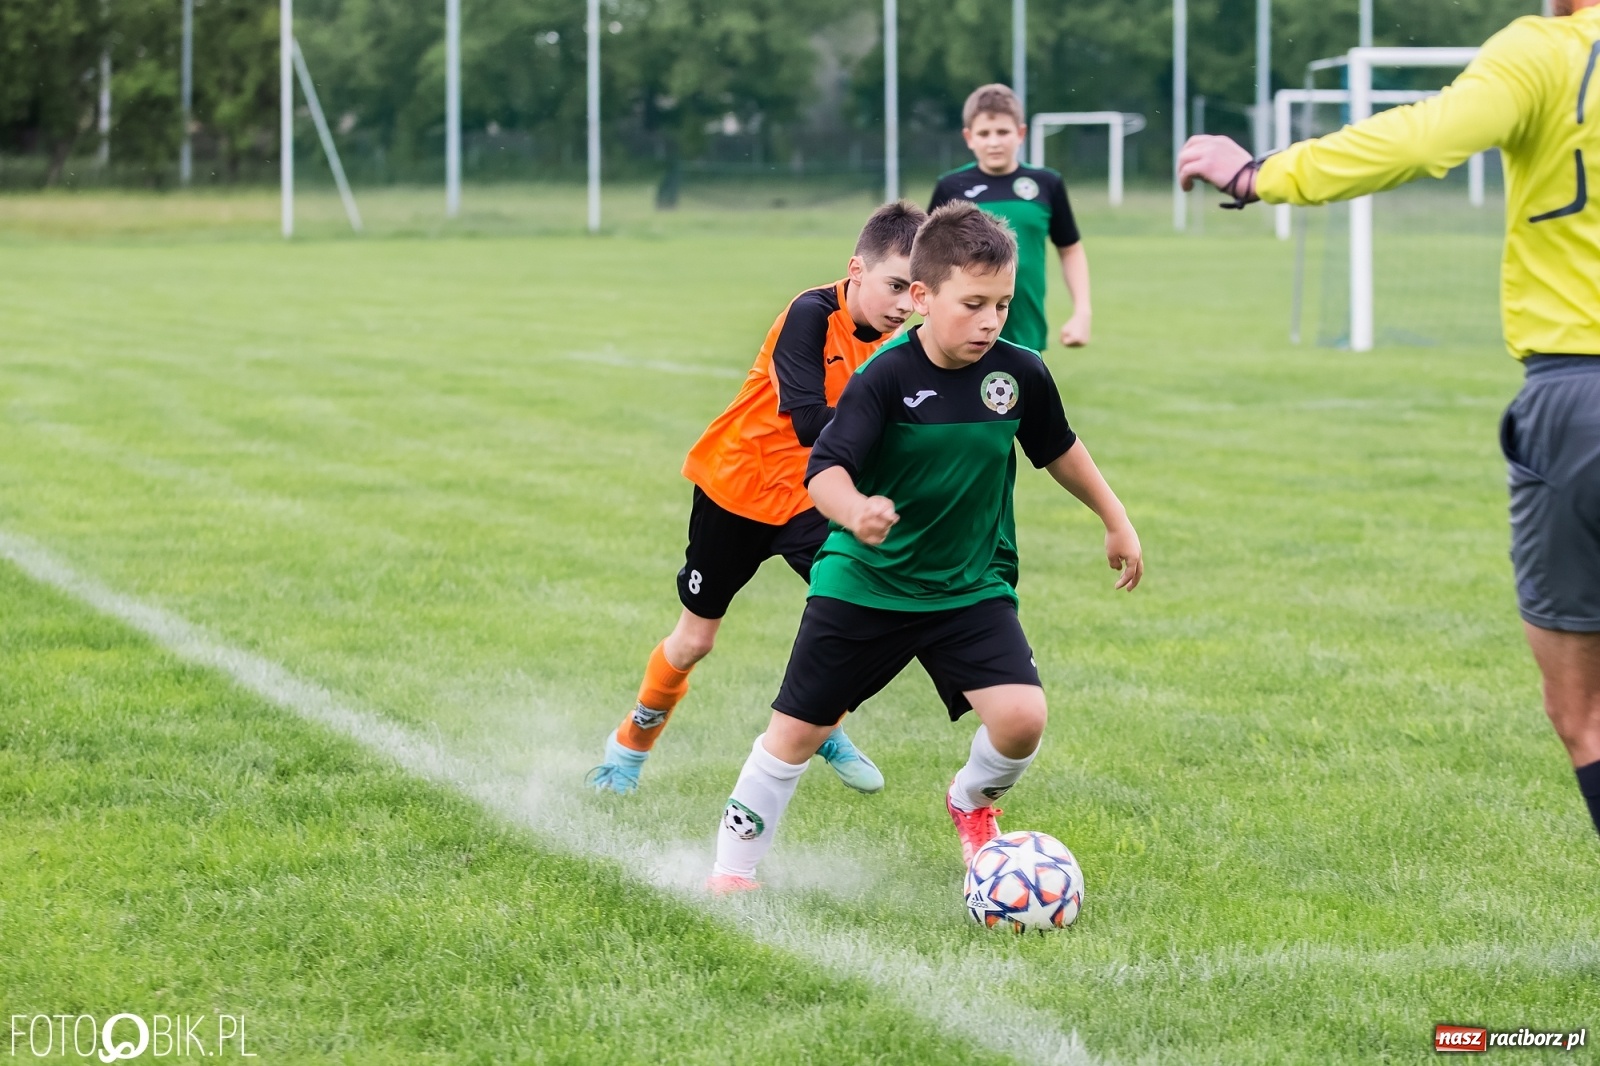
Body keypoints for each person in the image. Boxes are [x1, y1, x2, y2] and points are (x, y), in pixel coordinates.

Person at [1177, 0, 1600, 840]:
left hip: (1578, 398)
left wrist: (1261, 172)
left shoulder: (1545, 52)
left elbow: (1421, 138)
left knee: (1583, 710)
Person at [706, 202, 1143, 893]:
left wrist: (1115, 518)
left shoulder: (1020, 374)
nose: (992, 320)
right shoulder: (884, 377)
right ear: (923, 297)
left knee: (1023, 719)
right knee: (795, 735)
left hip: (968, 588)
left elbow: (1058, 448)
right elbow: (824, 470)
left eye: (1001, 303)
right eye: (973, 304)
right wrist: (856, 510)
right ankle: (732, 873)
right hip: (865, 583)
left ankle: (969, 803)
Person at [587, 202, 928, 796]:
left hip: (807, 498)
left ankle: (824, 723)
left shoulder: (902, 342)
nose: (903, 304)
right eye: (894, 285)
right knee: (695, 641)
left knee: (860, 607)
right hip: (736, 487)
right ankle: (629, 749)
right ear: (856, 269)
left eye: (914, 290)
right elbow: (806, 421)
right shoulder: (810, 314)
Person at [929, 83, 1091, 352]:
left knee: (1024, 391)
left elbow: (1070, 249)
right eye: (984, 133)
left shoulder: (1047, 184)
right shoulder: (951, 187)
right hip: (963, 329)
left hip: (1026, 327)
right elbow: (925, 256)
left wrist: (1082, 312)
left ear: (1020, 133)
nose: (994, 142)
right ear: (969, 137)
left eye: (1002, 132)